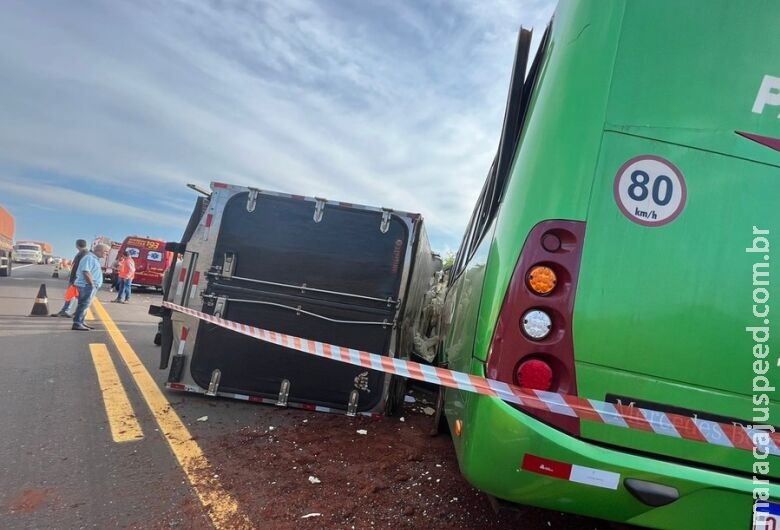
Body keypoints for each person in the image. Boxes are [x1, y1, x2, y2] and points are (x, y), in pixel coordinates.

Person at [72, 243, 109, 331]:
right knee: (83, 305)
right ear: (99, 251)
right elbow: (86, 272)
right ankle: (77, 323)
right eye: (105, 252)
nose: (106, 254)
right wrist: (91, 284)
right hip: (86, 285)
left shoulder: (94, 259)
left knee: (86, 305)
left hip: (88, 285)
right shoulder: (89, 258)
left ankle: (81, 322)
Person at [54, 239, 89, 317]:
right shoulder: (82, 253)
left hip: (77, 279)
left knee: (80, 297)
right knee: (72, 295)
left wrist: (76, 278)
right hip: (76, 278)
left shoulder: (84, 254)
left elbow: (82, 268)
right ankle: (66, 311)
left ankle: (78, 313)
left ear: (77, 245)